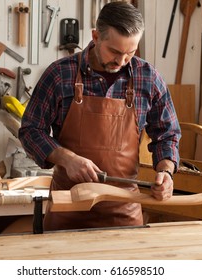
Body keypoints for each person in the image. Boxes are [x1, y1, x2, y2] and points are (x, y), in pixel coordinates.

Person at [19, 1, 181, 231]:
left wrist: (165, 172)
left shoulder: (148, 77)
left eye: (131, 52)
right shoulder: (59, 74)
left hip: (124, 211)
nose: (122, 61)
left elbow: (168, 133)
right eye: (114, 51)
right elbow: (30, 130)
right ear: (95, 37)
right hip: (68, 206)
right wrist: (67, 158)